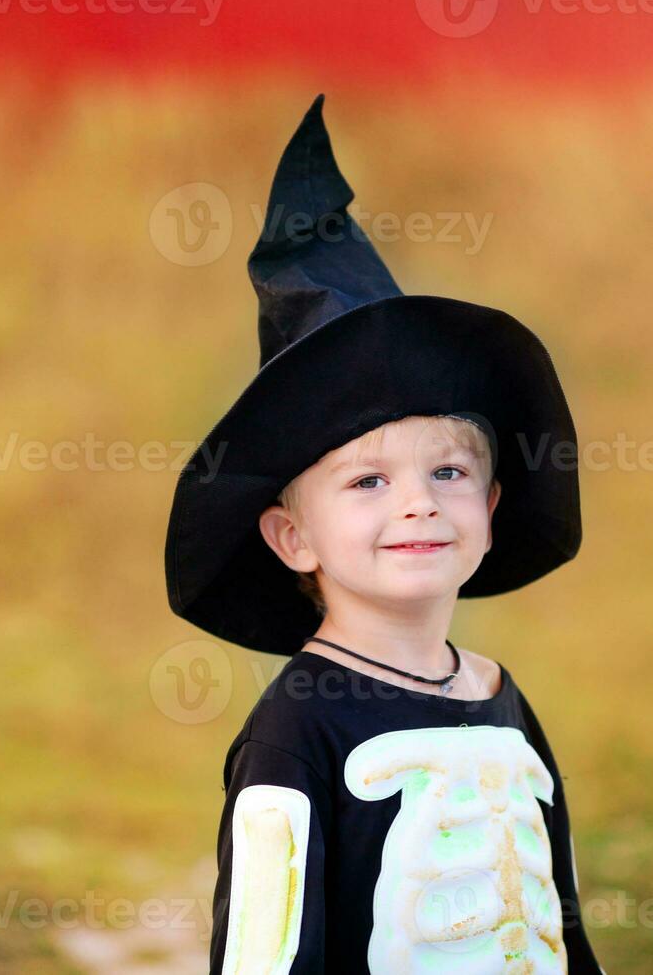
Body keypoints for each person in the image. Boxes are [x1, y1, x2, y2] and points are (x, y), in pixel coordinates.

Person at [164, 94, 605, 974]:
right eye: (368, 481)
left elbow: (562, 922)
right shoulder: (296, 728)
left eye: (448, 472)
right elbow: (264, 956)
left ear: (493, 503)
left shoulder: (501, 698)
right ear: (294, 538)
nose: (419, 504)